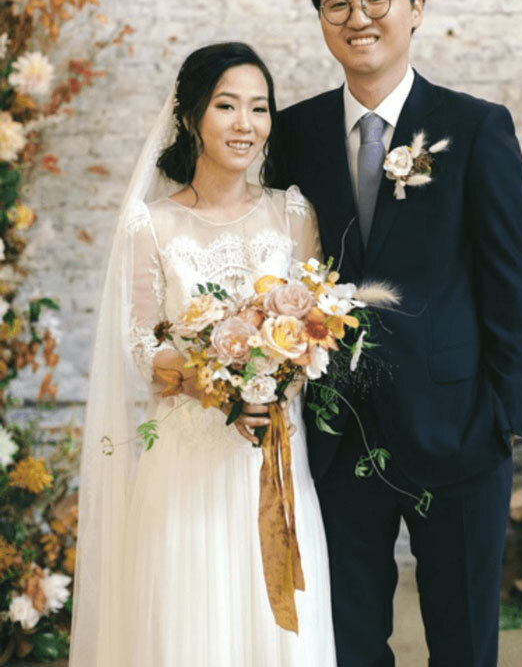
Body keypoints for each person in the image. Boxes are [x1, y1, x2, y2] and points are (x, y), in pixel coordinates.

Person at [268, 0, 522, 667]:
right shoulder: (291, 136)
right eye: (337, 3)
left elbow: (511, 279)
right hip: (334, 433)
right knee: (348, 643)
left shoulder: (476, 128)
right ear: (321, 19)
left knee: (462, 643)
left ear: (415, 6)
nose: (358, 16)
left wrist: (505, 419)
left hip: (457, 431)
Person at [70, 42, 336, 666]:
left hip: (270, 457)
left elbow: (315, 322)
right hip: (187, 463)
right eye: (226, 106)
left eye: (259, 108)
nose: (246, 124)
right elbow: (140, 347)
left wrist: (274, 380)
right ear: (192, 116)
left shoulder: (291, 213)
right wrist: (217, 385)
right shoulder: (151, 226)